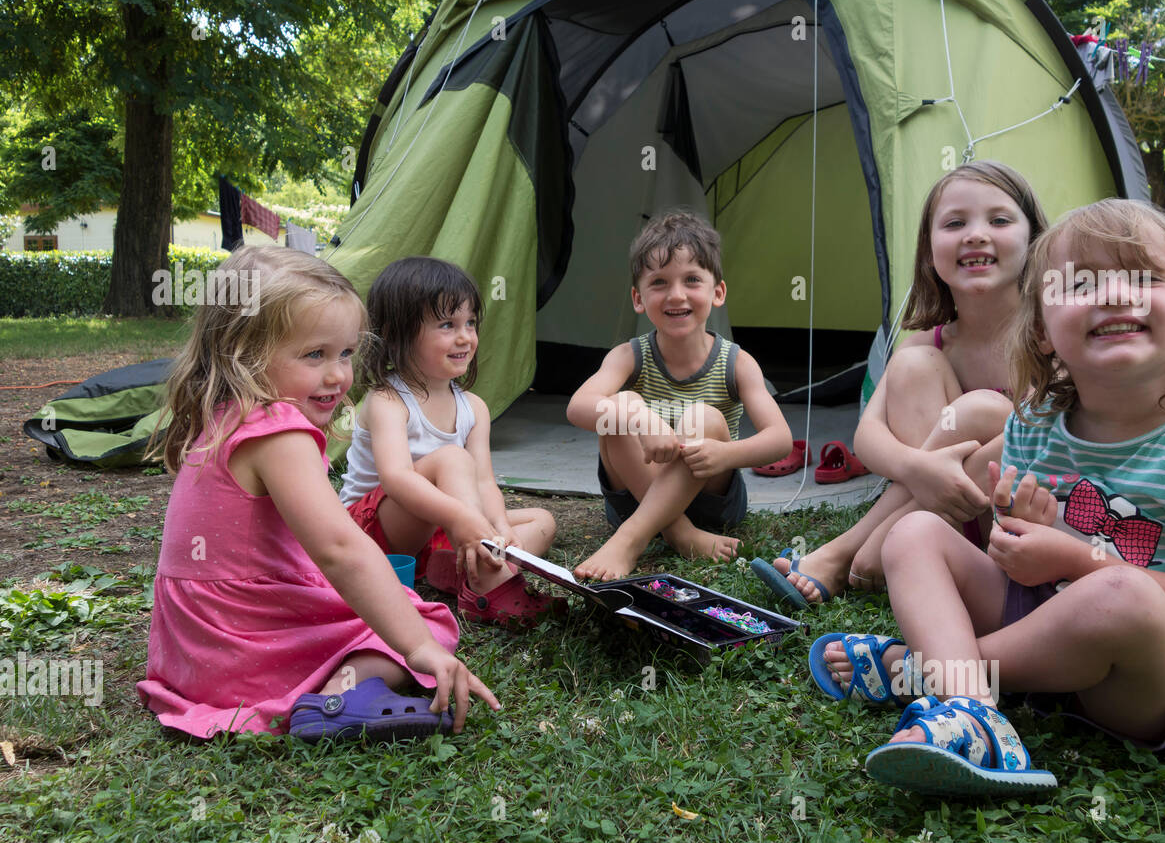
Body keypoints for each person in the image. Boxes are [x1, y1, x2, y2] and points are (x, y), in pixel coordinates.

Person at [810, 199, 1165, 796]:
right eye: (1081, 283)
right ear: (1041, 329)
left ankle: (932, 670)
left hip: (1158, 677)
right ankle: (976, 713)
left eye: (1143, 278)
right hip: (1045, 623)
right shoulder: (1034, 423)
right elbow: (1017, 547)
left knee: (1120, 591)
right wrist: (1016, 526)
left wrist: (1069, 556)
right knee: (915, 532)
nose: (1115, 295)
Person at [137, 246, 500, 742]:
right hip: (244, 649)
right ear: (244, 354)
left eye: (346, 353)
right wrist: (420, 650)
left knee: (394, 609)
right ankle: (338, 696)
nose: (338, 375)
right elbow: (340, 549)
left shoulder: (227, 414)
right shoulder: (279, 432)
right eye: (315, 355)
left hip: (193, 655)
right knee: (427, 622)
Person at [751, 161, 1048, 607]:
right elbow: (867, 438)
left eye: (1000, 220)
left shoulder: (1055, 334)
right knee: (914, 367)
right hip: (944, 501)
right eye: (954, 223)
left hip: (1012, 516)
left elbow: (1054, 441)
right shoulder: (925, 344)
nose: (976, 234)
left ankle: (853, 549)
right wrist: (920, 469)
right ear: (929, 250)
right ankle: (908, 535)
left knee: (989, 413)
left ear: (1035, 240)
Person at [567, 210, 792, 581]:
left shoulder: (736, 362)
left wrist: (725, 453)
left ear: (717, 292)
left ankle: (631, 539)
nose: (676, 295)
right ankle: (679, 533)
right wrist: (639, 416)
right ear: (638, 298)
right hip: (635, 496)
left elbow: (780, 439)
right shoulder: (629, 355)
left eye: (691, 279)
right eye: (659, 283)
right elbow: (577, 407)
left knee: (701, 418)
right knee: (620, 406)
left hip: (711, 500)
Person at [340, 257, 562, 626]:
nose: (465, 336)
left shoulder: (474, 407)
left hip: (437, 528)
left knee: (541, 520)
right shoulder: (388, 400)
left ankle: (460, 573)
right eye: (447, 324)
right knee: (452, 459)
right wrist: (463, 517)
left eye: (470, 322)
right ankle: (495, 586)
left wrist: (498, 528)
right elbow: (396, 479)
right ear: (400, 332)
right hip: (371, 532)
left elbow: (484, 481)